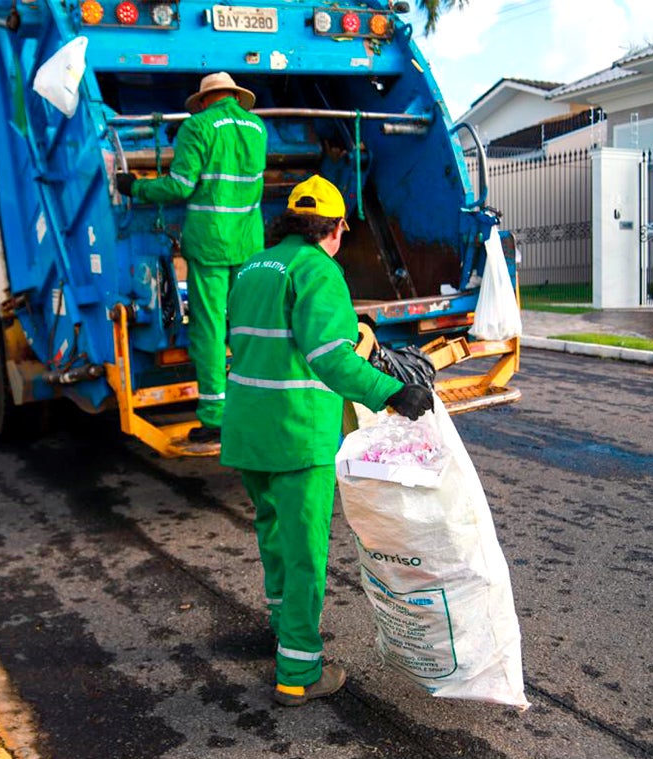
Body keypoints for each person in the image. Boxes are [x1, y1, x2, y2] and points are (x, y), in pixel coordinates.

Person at [220, 175, 433, 706]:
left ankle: (280, 629)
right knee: (305, 554)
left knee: (272, 534)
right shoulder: (318, 270)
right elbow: (331, 358)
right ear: (335, 229)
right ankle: (298, 672)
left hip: (248, 429)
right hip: (297, 435)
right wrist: (392, 392)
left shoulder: (252, 267)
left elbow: (251, 341)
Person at [115, 72, 267, 444]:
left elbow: (181, 186)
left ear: (202, 101)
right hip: (249, 243)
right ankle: (254, 408)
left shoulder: (197, 126)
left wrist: (135, 187)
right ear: (235, 97)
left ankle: (215, 418)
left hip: (211, 244)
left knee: (210, 330)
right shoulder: (258, 127)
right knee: (248, 327)